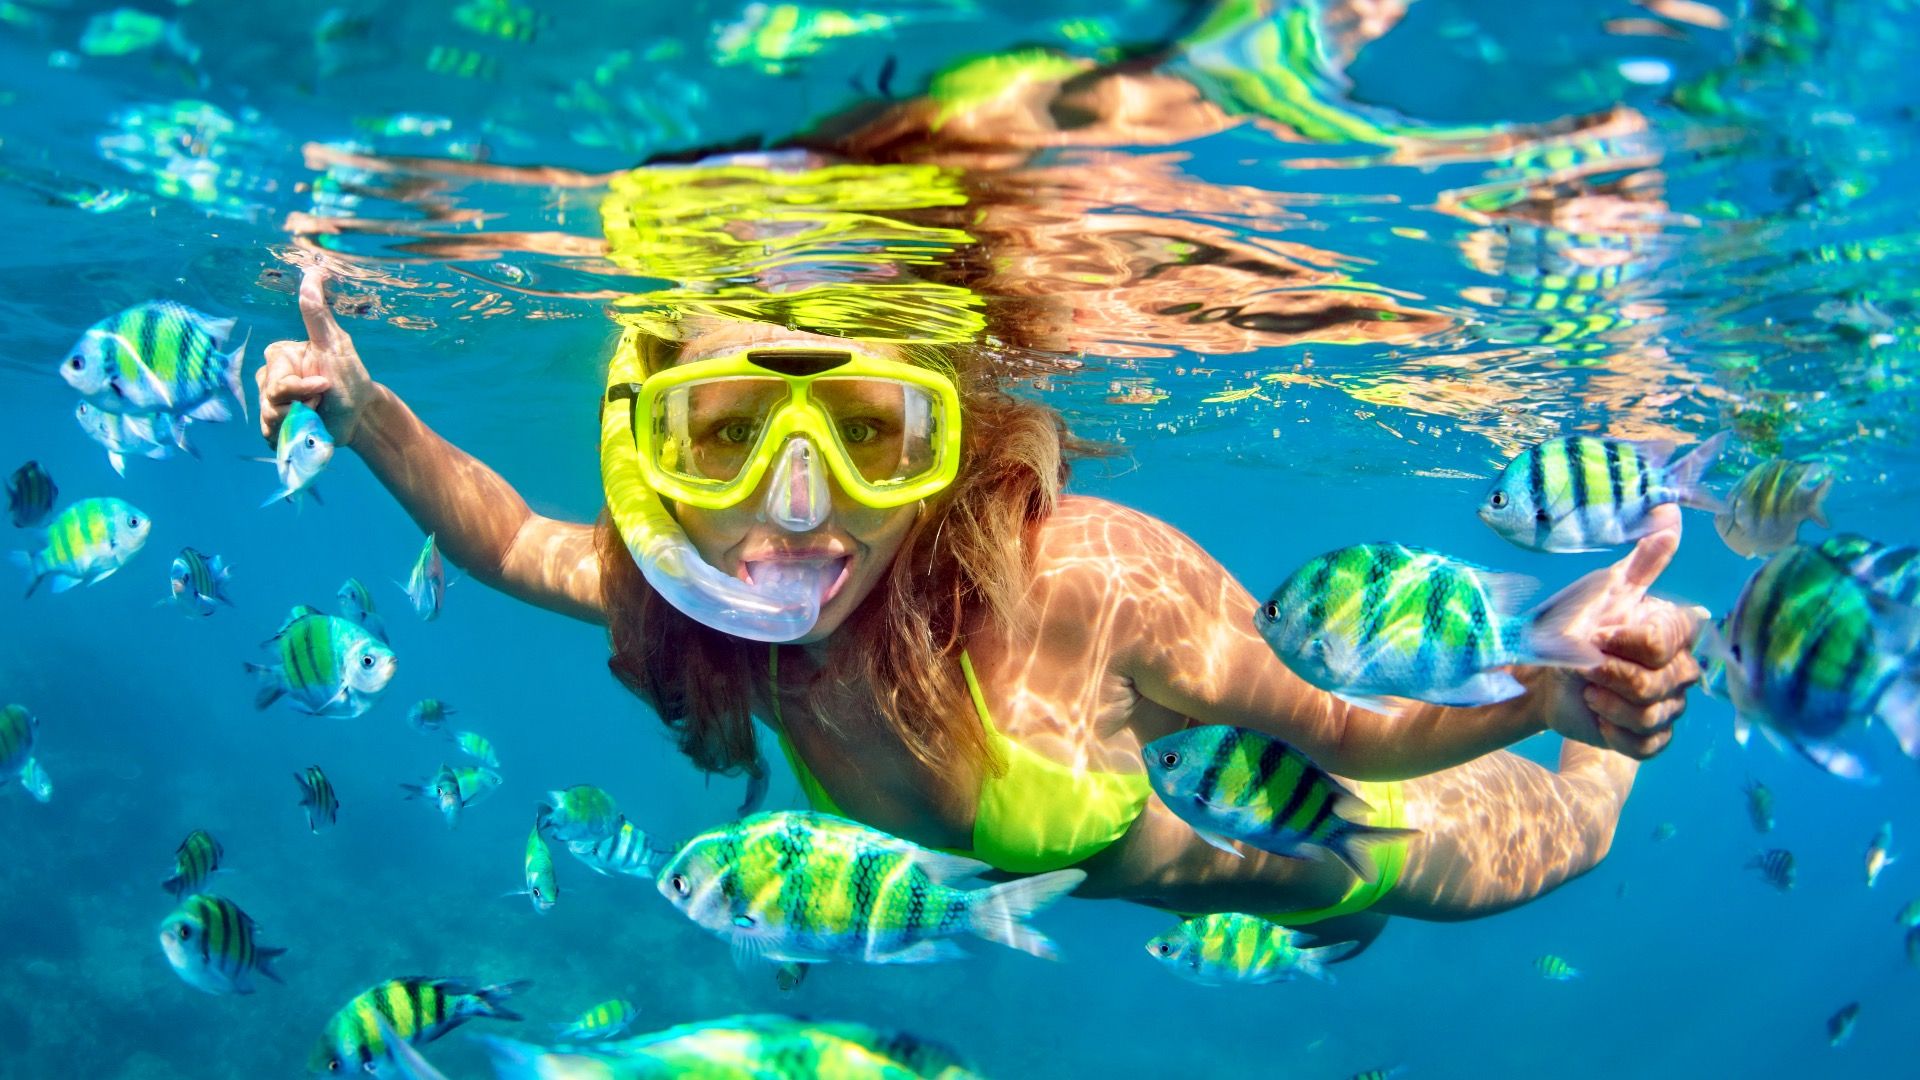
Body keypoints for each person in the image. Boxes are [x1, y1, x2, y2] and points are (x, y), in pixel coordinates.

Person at [256, 3, 1703, 948]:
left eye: (870, 432)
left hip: (1349, 852)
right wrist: (365, 409)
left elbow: (1354, 729)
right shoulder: (693, 606)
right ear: (650, 442)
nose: (792, 504)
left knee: (1565, 834)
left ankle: (1617, 700)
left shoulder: (1088, 583)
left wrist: (1548, 696)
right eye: (725, 433)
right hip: (1175, 883)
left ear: (951, 445)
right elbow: (511, 542)